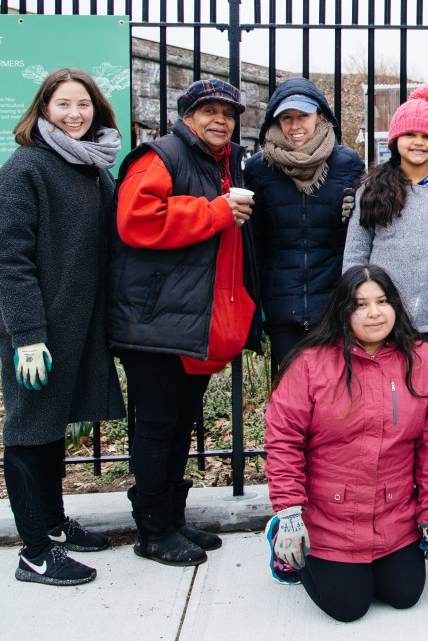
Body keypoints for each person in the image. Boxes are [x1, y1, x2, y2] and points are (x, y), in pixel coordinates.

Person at [107, 78, 260, 567]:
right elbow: (137, 220)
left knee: (177, 427)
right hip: (154, 324)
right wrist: (215, 211)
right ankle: (152, 531)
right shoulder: (160, 156)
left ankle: (172, 518)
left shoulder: (221, 162)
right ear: (187, 116)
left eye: (229, 113)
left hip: (189, 320)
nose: (221, 120)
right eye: (209, 111)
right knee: (156, 428)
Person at [0, 68, 127, 586]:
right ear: (43, 109)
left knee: (50, 432)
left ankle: (52, 524)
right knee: (29, 432)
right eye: (64, 104)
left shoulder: (92, 167)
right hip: (40, 333)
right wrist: (27, 337)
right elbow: (8, 258)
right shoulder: (25, 168)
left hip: (79, 325)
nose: (75, 114)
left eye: (84, 105)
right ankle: (34, 553)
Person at [263, 265, 428, 621]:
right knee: (349, 607)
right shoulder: (311, 363)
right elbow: (284, 439)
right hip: (330, 515)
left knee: (405, 594)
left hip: (393, 514)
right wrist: (288, 511)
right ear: (343, 311)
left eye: (382, 301)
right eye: (360, 304)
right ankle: (282, 540)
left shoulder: (420, 357)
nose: (374, 312)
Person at [343, 86, 428, 365]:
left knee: (421, 397)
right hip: (378, 317)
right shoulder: (371, 189)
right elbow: (355, 255)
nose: (418, 142)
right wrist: (353, 310)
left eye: (427, 136)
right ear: (395, 139)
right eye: (410, 134)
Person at [245, 77, 365, 370]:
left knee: (333, 398)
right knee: (289, 397)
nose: (295, 125)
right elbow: (254, 240)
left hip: (334, 303)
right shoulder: (259, 168)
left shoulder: (347, 163)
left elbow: (360, 235)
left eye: (303, 116)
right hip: (281, 305)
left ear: (320, 116)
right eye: (287, 118)